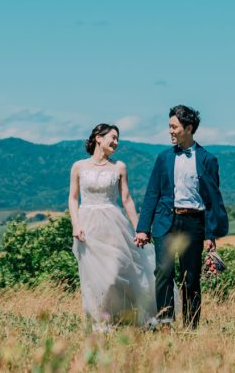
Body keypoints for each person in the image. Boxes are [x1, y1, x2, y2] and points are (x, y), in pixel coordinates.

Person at [135, 105, 229, 329]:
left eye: (174, 127)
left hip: (193, 223)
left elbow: (211, 201)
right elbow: (152, 194)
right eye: (169, 126)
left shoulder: (208, 159)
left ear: (188, 128)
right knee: (163, 273)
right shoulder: (163, 158)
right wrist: (142, 228)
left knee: (191, 278)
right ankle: (165, 324)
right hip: (165, 221)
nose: (170, 131)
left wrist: (210, 234)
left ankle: (191, 328)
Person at [69, 123, 157, 330]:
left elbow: (126, 199)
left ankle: (131, 315)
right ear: (98, 138)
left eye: (118, 139)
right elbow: (73, 198)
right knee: (94, 277)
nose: (116, 142)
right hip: (88, 225)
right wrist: (76, 224)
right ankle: (102, 321)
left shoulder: (119, 167)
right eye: (113, 137)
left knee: (114, 273)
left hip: (113, 224)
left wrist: (139, 228)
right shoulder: (79, 166)